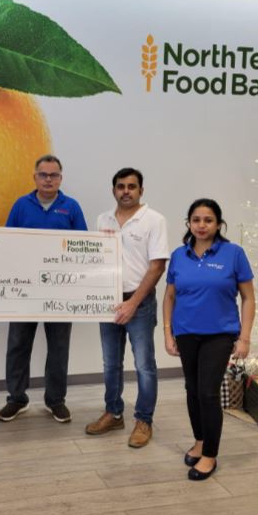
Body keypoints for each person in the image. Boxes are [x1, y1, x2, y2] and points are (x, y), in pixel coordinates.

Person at [162, 198, 255, 480]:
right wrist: (168, 332)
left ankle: (210, 455)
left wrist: (245, 338)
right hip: (186, 332)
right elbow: (169, 296)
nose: (201, 225)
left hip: (220, 334)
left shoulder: (233, 253)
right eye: (196, 220)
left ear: (218, 224)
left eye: (208, 220)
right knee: (192, 390)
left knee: (208, 392)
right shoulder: (179, 255)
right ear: (189, 223)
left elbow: (249, 298)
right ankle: (200, 441)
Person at [0, 154, 88, 423]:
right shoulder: (20, 206)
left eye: (54, 175)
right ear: (34, 177)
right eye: (43, 175)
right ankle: (16, 399)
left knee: (59, 347)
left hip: (60, 293)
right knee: (17, 345)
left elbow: (83, 248)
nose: (49, 179)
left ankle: (55, 400)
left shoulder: (71, 207)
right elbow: (5, 244)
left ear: (61, 178)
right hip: (24, 290)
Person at [85, 168, 169, 448]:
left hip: (140, 302)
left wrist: (133, 303)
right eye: (121, 186)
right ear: (114, 190)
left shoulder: (154, 221)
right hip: (108, 302)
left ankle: (144, 420)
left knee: (144, 365)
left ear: (141, 190)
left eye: (132, 186)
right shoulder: (102, 219)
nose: (126, 191)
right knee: (111, 364)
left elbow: (157, 266)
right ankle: (113, 412)